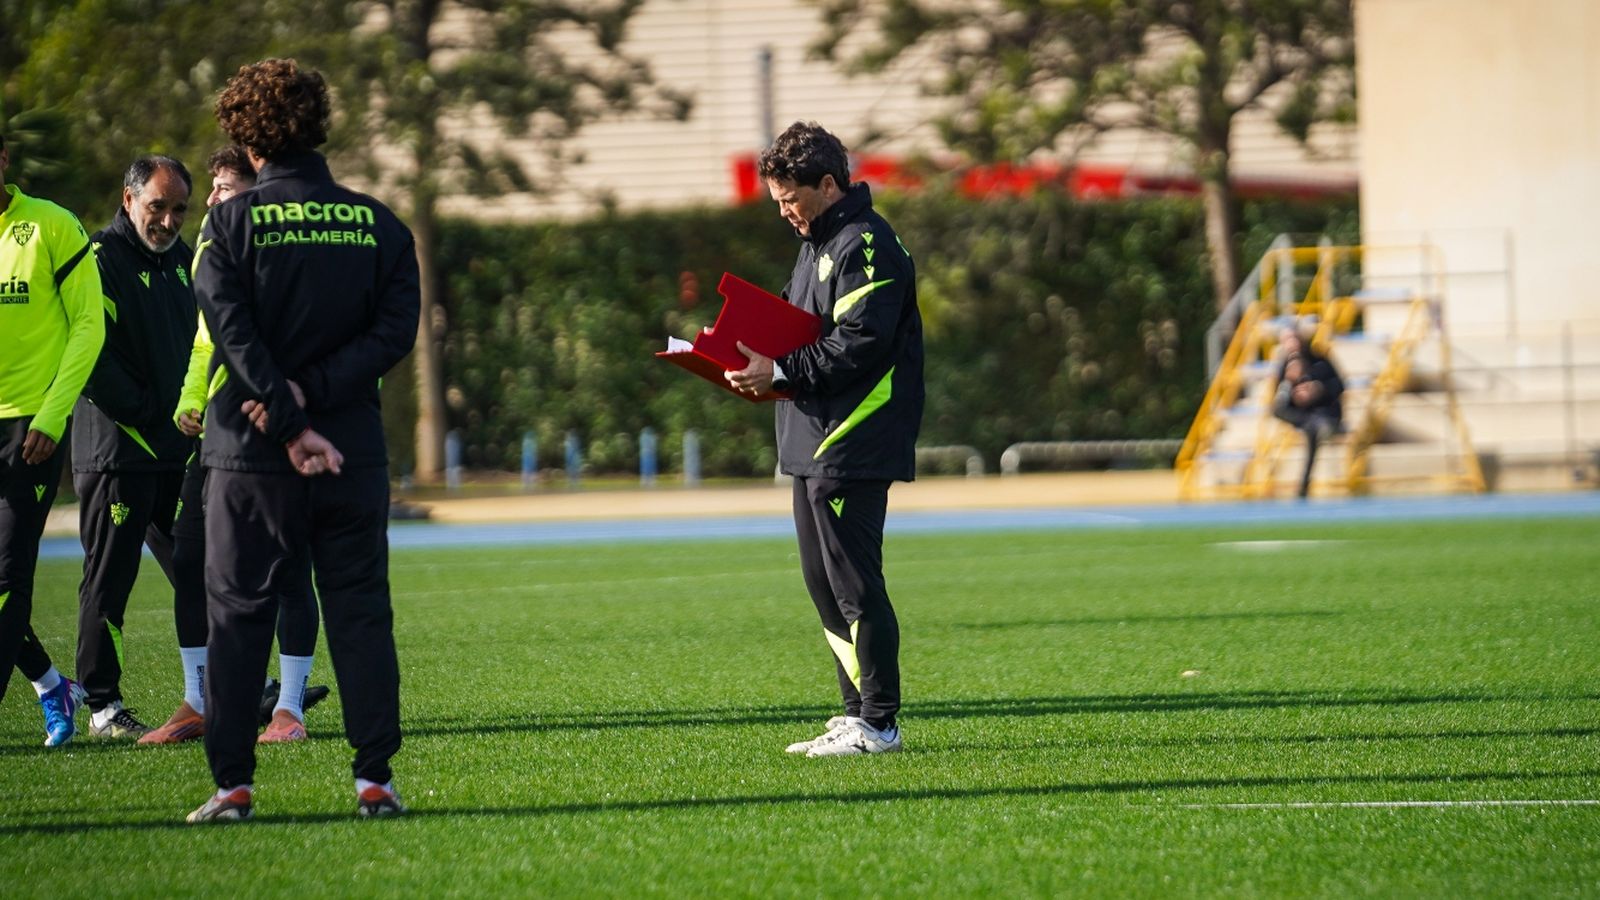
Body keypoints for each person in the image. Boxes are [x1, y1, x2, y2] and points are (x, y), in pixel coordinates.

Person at [187, 58, 419, 822]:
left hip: (250, 457)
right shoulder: (379, 224)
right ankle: (374, 780)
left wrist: (285, 416)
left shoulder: (227, 226)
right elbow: (395, 333)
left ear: (247, 141)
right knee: (360, 612)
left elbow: (230, 333)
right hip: (350, 451)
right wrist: (313, 398)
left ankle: (233, 786)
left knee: (238, 615)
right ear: (321, 125)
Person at [725, 121, 924, 757]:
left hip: (855, 434)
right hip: (811, 435)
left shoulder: (868, 242)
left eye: (791, 198)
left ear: (830, 185)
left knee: (855, 582)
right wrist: (739, 355)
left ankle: (880, 723)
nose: (784, 212)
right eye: (778, 200)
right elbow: (796, 327)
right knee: (823, 580)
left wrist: (780, 370)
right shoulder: (816, 242)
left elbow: (860, 342)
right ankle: (855, 713)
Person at [141, 145, 328, 746]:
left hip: (283, 427)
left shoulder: (300, 244)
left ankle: (289, 710)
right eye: (214, 187)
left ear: (259, 191)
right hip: (221, 430)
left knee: (289, 568)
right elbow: (205, 341)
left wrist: (299, 406)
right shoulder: (211, 244)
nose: (214, 198)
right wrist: (189, 399)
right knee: (189, 557)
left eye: (226, 187)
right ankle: (198, 702)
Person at [73, 155, 198, 740]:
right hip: (118, 454)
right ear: (128, 200)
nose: (168, 221)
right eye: (157, 206)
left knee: (201, 571)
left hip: (175, 451)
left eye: (179, 209)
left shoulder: (183, 261)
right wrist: (150, 413)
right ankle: (103, 706)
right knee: (109, 580)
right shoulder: (99, 260)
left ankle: (226, 686)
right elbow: (90, 356)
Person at [0, 131, 106, 747]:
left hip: (28, 429)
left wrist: (52, 415)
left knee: (6, 578)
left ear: (4, 158)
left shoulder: (50, 224)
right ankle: (49, 684)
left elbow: (88, 325)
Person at [1271, 324, 1344, 499]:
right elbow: (1279, 404)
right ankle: (1303, 485)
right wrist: (1290, 386)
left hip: (1325, 412)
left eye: (1294, 339)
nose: (1292, 344)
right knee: (1300, 422)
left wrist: (1319, 389)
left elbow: (1339, 386)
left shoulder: (1319, 361)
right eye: (1287, 340)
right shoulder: (1285, 366)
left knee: (1315, 429)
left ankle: (1304, 485)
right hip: (1304, 417)